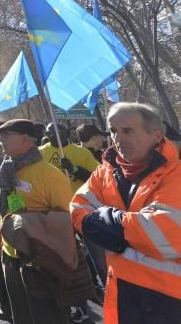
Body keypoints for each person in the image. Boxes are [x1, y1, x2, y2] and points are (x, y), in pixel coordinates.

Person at [71, 102, 181, 324]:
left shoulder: (175, 174)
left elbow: (162, 234)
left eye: (127, 130)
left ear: (156, 135)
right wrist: (131, 228)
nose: (117, 138)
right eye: (113, 131)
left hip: (169, 297)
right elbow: (77, 209)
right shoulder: (105, 172)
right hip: (122, 292)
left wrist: (107, 219)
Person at [0, 118, 72, 324]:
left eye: (6, 135)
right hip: (11, 255)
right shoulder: (8, 169)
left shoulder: (49, 174)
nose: (0, 140)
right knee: (22, 317)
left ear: (26, 139)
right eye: (0, 135)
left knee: (48, 318)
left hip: (41, 260)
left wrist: (29, 222)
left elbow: (66, 220)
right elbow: (6, 207)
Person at [40, 123, 98, 191]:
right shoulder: (40, 152)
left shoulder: (82, 152)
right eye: (48, 133)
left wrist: (74, 169)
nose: (52, 135)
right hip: (50, 199)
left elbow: (98, 179)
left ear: (67, 134)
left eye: (58, 132)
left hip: (76, 198)